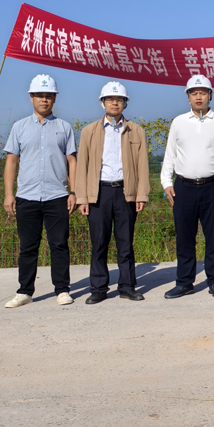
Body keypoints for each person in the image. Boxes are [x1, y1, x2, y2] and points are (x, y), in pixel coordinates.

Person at [3, 74, 78, 308]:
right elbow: (11, 161)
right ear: (31, 98)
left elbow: (72, 161)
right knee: (28, 247)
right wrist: (9, 194)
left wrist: (73, 192)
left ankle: (62, 290)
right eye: (39, 95)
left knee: (59, 245)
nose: (44, 100)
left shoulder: (64, 127)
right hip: (27, 196)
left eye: (48, 96)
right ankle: (25, 291)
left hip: (57, 196)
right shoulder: (19, 127)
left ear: (54, 98)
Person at [160, 75, 214, 298]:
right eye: (194, 93)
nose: (199, 97)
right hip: (183, 187)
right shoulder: (178, 122)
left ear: (211, 95)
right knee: (184, 237)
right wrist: (166, 182)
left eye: (203, 92)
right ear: (188, 97)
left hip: (213, 186)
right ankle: (184, 282)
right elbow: (170, 154)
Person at [75, 81, 151, 303]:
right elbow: (82, 166)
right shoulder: (89, 132)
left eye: (119, 99)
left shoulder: (136, 131)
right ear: (103, 103)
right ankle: (98, 288)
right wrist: (82, 198)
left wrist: (141, 195)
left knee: (125, 242)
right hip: (99, 192)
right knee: (99, 242)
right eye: (110, 99)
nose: (114, 103)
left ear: (125, 103)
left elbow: (142, 166)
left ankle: (127, 286)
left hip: (125, 192)